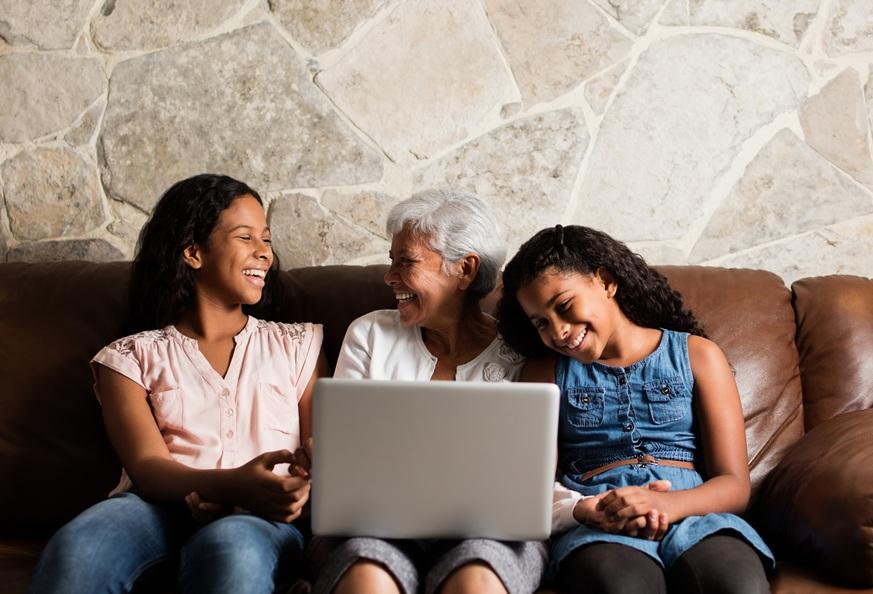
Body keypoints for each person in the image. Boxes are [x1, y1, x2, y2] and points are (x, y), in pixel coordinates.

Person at [29, 174, 328, 594]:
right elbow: (148, 469)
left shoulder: (297, 345)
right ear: (193, 252)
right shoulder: (130, 357)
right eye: (246, 237)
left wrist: (299, 478)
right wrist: (225, 484)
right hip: (154, 512)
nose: (264, 252)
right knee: (80, 544)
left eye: (267, 239)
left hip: (262, 516)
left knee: (233, 547)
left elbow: (320, 453)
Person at [497, 225, 774, 594]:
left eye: (564, 307)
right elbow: (533, 490)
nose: (559, 331)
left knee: (735, 583)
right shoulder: (544, 373)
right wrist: (594, 509)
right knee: (621, 585)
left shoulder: (699, 356)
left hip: (697, 515)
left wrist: (665, 504)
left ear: (606, 282)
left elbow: (735, 485)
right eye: (541, 323)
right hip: (601, 521)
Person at [307, 189, 547, 594]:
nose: (389, 276)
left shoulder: (524, 352)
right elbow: (337, 447)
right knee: (368, 578)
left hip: (491, 532)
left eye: (406, 261)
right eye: (391, 261)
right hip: (373, 526)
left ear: (465, 269)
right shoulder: (370, 334)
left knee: (478, 581)